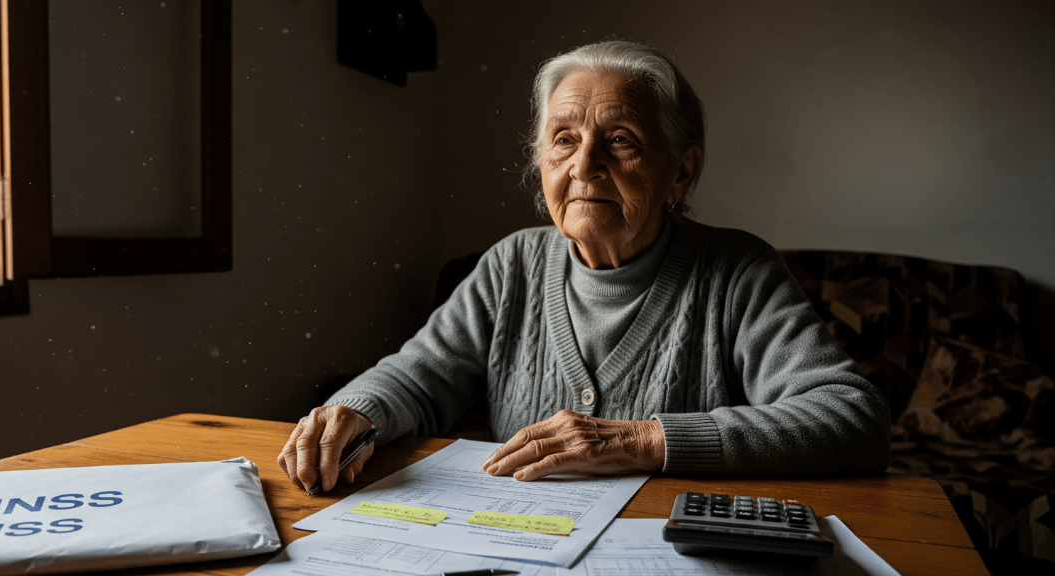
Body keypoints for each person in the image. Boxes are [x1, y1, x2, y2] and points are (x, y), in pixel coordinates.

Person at [279, 40, 890, 494]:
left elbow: (850, 419)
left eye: (621, 139)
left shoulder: (736, 272)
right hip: (519, 543)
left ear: (680, 171)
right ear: (541, 160)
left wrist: (641, 441)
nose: (585, 165)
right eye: (564, 138)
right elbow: (417, 378)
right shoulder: (511, 264)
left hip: (671, 554)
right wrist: (354, 411)